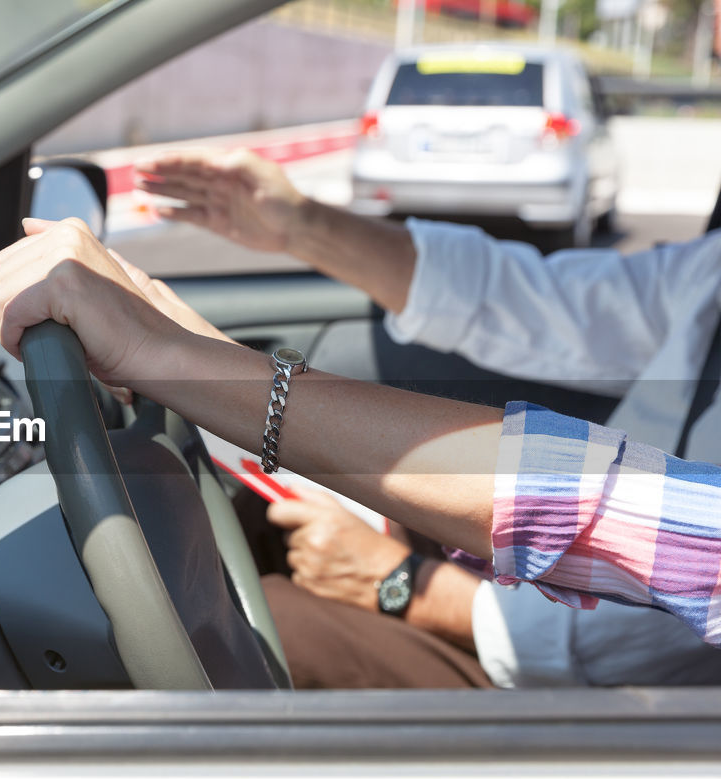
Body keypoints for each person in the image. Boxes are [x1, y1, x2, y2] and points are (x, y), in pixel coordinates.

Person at [0, 212, 721, 663]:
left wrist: (404, 585)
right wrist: (206, 344)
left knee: (222, 637)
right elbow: (538, 302)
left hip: (602, 690)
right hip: (551, 603)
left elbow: (683, 549)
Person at [128, 148, 721, 688]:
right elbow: (531, 302)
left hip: (614, 689)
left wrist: (402, 585)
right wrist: (301, 225)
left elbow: (678, 582)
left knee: (236, 634)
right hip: (558, 583)